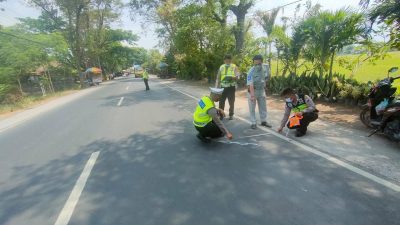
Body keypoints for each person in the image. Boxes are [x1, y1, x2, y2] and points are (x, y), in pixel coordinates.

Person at [247, 54, 272, 129]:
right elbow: (249, 84)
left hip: (261, 90)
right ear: (253, 63)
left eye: (259, 63)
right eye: (256, 64)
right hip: (252, 90)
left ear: (262, 62)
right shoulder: (251, 71)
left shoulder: (266, 67)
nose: (258, 65)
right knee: (252, 107)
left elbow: (268, 77)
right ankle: (253, 122)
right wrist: (252, 95)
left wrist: (265, 85)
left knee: (263, 106)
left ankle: (263, 121)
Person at [215, 54, 240, 120]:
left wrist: (235, 77)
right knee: (221, 102)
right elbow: (218, 78)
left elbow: (238, 76)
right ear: (224, 60)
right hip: (222, 87)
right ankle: (221, 115)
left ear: (231, 60)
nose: (227, 61)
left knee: (231, 102)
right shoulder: (221, 67)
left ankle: (231, 114)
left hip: (231, 87)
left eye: (229, 60)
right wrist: (216, 88)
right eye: (226, 60)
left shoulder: (234, 66)